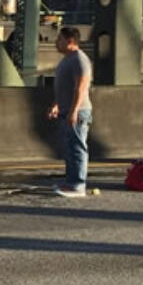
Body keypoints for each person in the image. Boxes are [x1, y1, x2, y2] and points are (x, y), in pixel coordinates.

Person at [49, 26, 92, 197]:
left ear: (70, 41)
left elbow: (80, 88)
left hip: (78, 111)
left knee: (77, 148)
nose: (56, 43)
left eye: (59, 39)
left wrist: (74, 111)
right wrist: (57, 104)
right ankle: (70, 182)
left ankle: (78, 185)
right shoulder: (67, 59)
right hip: (66, 110)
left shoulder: (79, 60)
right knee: (68, 148)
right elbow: (64, 87)